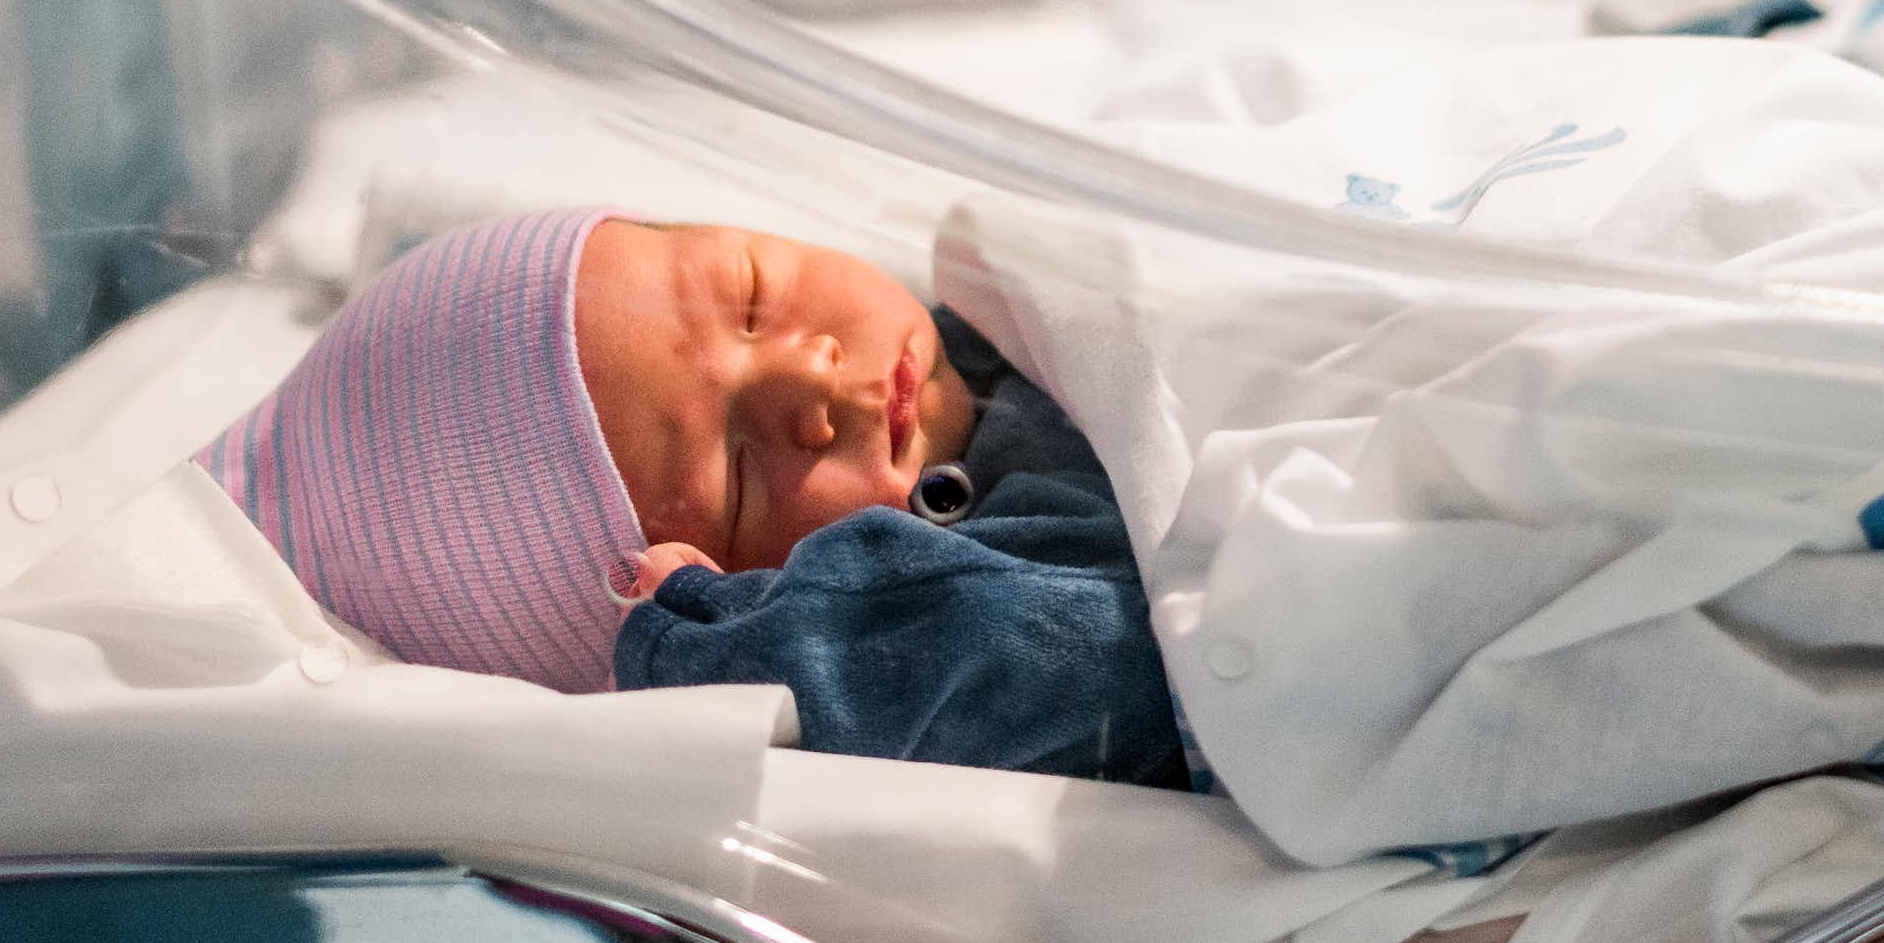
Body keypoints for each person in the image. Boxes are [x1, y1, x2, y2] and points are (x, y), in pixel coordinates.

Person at [197, 208, 1189, 787]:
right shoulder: (995, 577)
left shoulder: (1003, 312)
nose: (811, 379)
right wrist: (729, 649)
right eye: (739, 474)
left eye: (753, 293)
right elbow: (1103, 657)